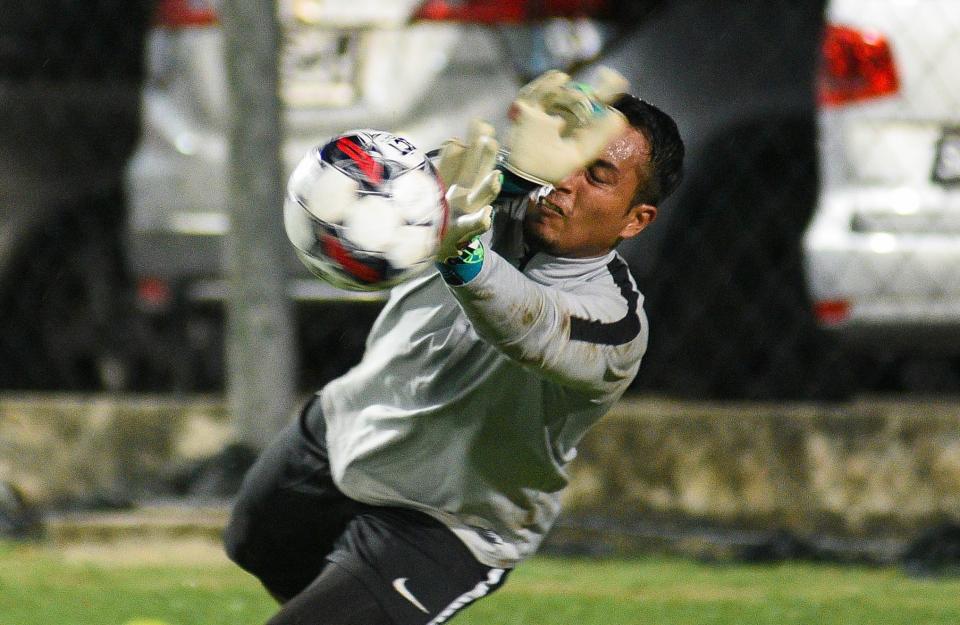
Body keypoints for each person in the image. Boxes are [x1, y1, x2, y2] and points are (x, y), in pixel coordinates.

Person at [224, 69, 684, 625]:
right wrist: (515, 167)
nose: (569, 181)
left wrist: (461, 251)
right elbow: (406, 185)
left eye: (599, 175)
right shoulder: (482, 198)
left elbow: (530, 324)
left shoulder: (616, 321)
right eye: (571, 157)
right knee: (252, 544)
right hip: (351, 426)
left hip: (448, 520)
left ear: (636, 220)